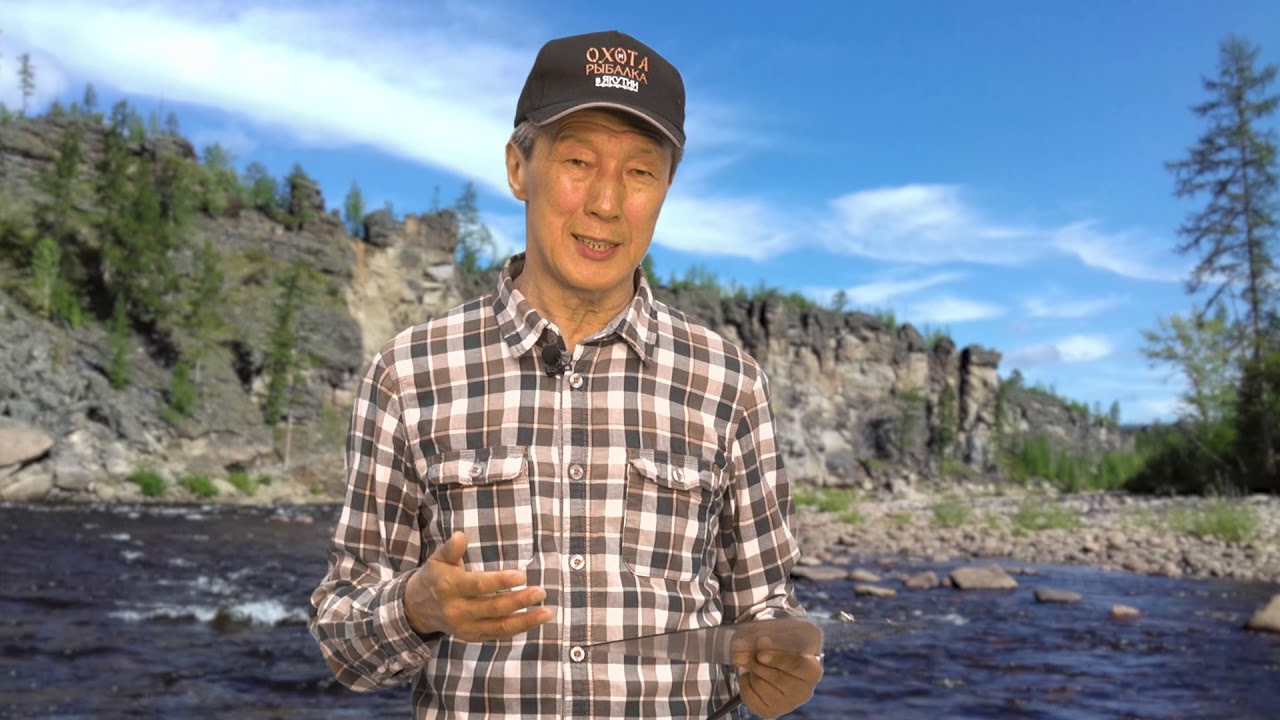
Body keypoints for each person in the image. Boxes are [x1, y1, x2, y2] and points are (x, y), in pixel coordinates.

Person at [309, 29, 821, 719]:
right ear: (519, 168)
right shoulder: (406, 373)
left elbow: (765, 608)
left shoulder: (731, 383)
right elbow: (343, 641)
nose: (606, 202)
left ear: (666, 189)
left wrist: (785, 662)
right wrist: (417, 607)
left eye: (640, 172)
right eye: (579, 161)